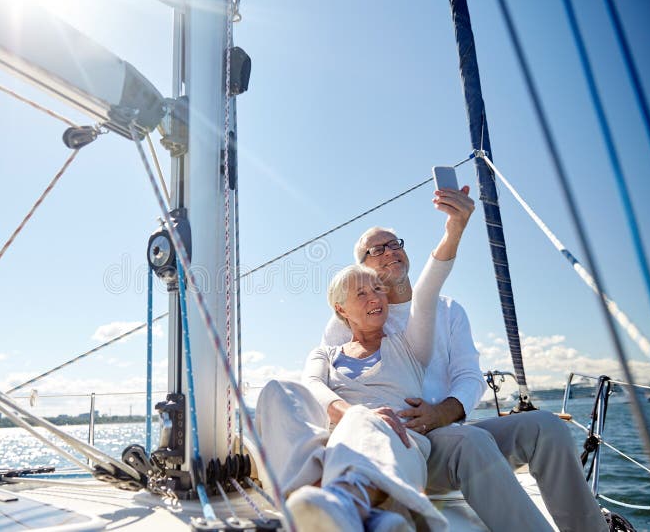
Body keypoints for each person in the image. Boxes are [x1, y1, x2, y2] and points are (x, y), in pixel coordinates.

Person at [321, 189, 607, 531]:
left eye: (395, 243)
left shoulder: (448, 310)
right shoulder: (347, 323)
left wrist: (441, 412)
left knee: (548, 428)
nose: (390, 251)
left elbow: (469, 377)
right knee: (471, 441)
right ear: (361, 267)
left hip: (454, 431)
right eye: (377, 249)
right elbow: (327, 380)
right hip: (408, 442)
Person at [257, 188, 471, 532]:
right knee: (276, 391)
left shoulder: (410, 344)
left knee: (359, 424)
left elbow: (429, 288)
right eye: (362, 293)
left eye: (378, 290)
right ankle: (356, 514)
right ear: (341, 309)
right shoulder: (324, 354)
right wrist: (352, 412)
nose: (375, 297)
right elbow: (311, 384)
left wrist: (453, 231)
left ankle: (339, 503)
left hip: (400, 443)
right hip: (348, 438)